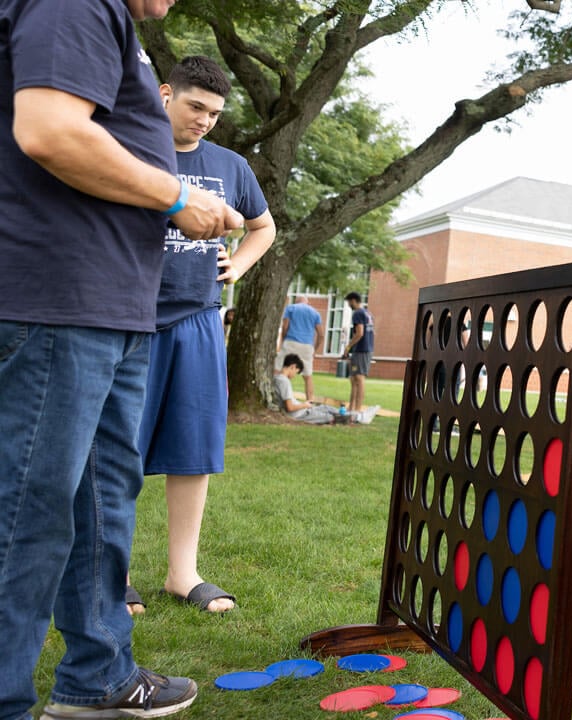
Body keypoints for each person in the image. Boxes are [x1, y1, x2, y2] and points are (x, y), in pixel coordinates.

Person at [0, 1, 243, 717]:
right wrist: (177, 196)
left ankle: (99, 677)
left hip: (112, 310)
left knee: (102, 502)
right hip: (59, 303)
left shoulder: (117, 19)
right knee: (27, 513)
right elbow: (49, 130)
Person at [129, 56, 277, 618]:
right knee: (120, 451)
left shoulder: (231, 165)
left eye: (215, 113)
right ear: (166, 94)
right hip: (134, 317)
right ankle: (112, 574)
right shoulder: (133, 149)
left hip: (199, 319)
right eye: (196, 107)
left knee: (193, 451)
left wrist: (237, 267)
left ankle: (181, 574)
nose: (205, 121)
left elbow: (262, 227)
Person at [274, 354, 377, 424]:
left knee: (327, 408)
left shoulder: (277, 378)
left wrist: (304, 404)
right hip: (300, 414)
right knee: (328, 417)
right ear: (292, 366)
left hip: (302, 410)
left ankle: (358, 414)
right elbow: (290, 407)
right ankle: (360, 418)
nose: (294, 375)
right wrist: (304, 405)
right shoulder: (284, 382)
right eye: (296, 372)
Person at [277, 297, 324, 402]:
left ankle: (277, 397)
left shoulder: (291, 308)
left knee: (279, 370)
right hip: (307, 346)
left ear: (296, 302)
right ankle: (309, 401)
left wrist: (283, 340)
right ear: (308, 303)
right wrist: (314, 350)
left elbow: (285, 327)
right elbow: (321, 335)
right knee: (307, 376)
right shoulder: (315, 313)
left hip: (291, 342)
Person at [343, 291, 375, 413]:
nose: (349, 305)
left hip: (361, 349)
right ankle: (352, 407)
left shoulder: (358, 313)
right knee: (354, 378)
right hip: (367, 348)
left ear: (353, 300)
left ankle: (357, 408)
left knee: (359, 378)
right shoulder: (368, 313)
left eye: (349, 302)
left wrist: (348, 347)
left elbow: (360, 333)